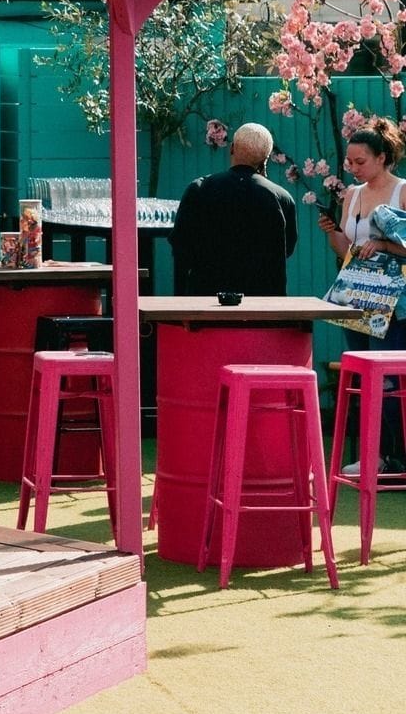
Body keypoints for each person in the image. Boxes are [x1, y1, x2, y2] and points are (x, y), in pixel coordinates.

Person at [318, 116, 406, 475]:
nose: (352, 168)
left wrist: (382, 242)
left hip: (396, 302)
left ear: (383, 157)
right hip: (356, 296)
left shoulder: (402, 190)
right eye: (349, 162)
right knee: (363, 377)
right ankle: (377, 454)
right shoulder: (351, 195)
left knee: (390, 379)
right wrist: (332, 231)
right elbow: (346, 249)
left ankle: (390, 455)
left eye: (360, 162)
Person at [171, 121, 298, 296]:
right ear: (265, 159)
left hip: (206, 303)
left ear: (232, 148)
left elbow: (181, 246)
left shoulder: (199, 190)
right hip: (263, 309)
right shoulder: (282, 198)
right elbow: (286, 250)